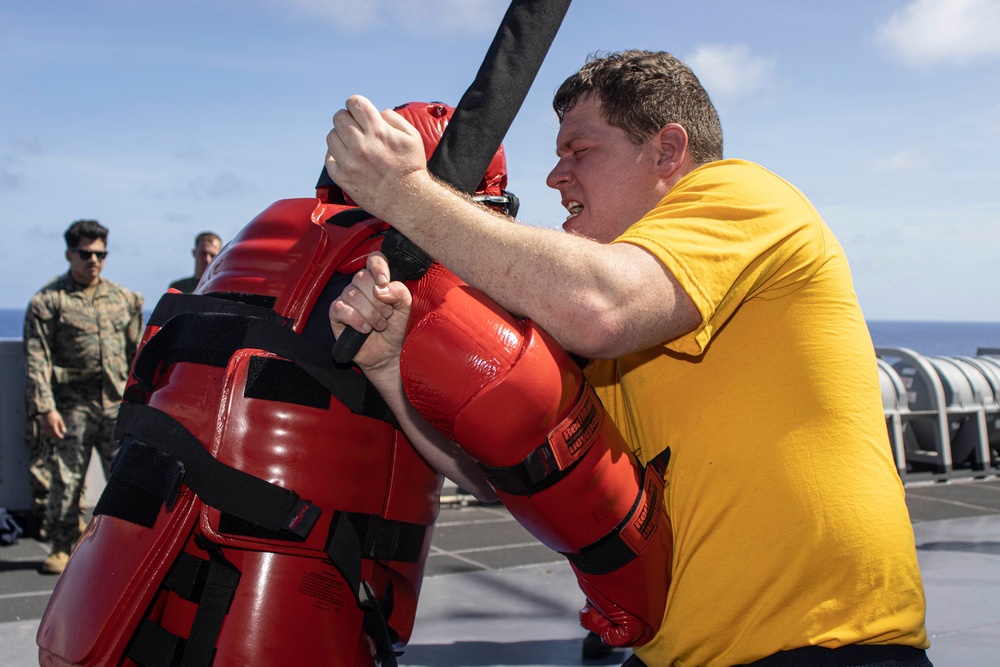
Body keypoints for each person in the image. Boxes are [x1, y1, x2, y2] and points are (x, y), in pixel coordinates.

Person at [325, 50, 931, 666]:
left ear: (668, 152)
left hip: (829, 646)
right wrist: (388, 365)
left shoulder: (743, 196)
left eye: (579, 151)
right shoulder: (591, 309)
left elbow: (601, 307)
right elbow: (495, 477)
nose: (555, 177)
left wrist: (406, 195)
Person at [23, 219, 144, 575]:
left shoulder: (124, 299)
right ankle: (61, 547)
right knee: (66, 479)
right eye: (87, 253)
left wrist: (142, 401)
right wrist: (45, 408)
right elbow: (37, 359)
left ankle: (128, 544)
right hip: (72, 404)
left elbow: (139, 352)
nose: (94, 260)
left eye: (101, 254)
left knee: (126, 478)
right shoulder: (49, 302)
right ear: (70, 253)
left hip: (116, 405)